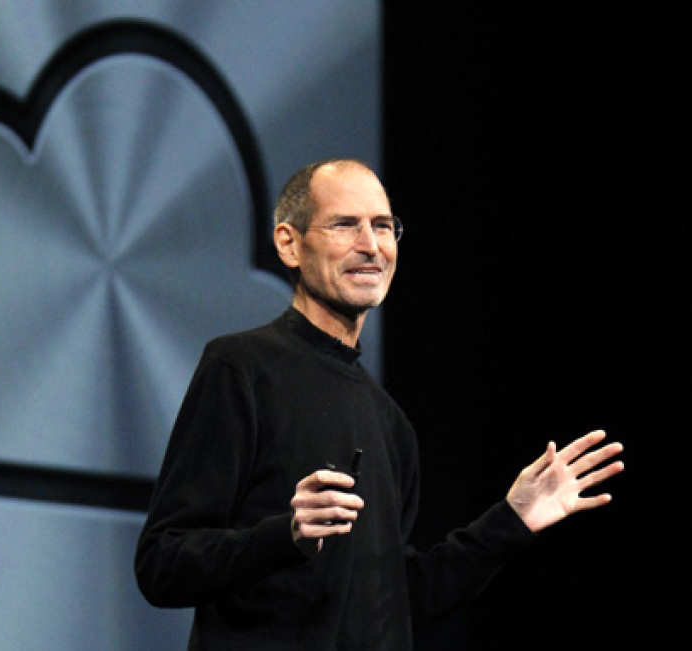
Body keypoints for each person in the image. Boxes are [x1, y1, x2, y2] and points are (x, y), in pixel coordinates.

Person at [134, 159, 624, 650]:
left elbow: (395, 601)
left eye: (383, 226)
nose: (370, 246)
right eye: (345, 225)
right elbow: (163, 562)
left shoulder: (391, 423)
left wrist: (510, 522)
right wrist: (285, 535)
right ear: (290, 243)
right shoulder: (240, 368)